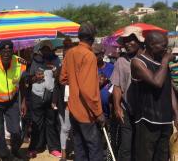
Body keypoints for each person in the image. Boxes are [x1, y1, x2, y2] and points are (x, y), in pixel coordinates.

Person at [129, 31, 178, 161]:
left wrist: (176, 112)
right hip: (147, 121)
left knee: (162, 157)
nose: (166, 49)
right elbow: (157, 82)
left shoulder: (161, 62)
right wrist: (166, 60)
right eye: (163, 46)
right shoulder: (138, 62)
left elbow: (169, 88)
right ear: (151, 45)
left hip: (165, 120)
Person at [60, 22, 105, 161]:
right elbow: (88, 91)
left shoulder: (70, 53)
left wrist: (76, 82)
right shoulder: (89, 56)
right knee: (94, 148)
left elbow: (62, 79)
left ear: (79, 36)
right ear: (92, 38)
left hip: (73, 109)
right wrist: (99, 113)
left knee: (79, 148)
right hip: (87, 112)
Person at [110, 26, 145, 161]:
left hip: (145, 111)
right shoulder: (121, 61)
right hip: (127, 109)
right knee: (125, 147)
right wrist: (118, 107)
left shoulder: (147, 58)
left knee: (141, 145)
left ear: (139, 41)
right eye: (125, 41)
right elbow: (117, 86)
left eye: (131, 40)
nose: (128, 44)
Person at [27, 39, 62, 158]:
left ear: (52, 51)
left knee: (51, 122)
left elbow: (60, 78)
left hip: (51, 96)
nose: (46, 52)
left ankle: (53, 147)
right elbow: (29, 79)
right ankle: (36, 147)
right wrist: (36, 77)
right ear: (41, 50)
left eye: (48, 50)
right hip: (37, 95)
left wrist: (55, 70)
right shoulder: (35, 61)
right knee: (37, 123)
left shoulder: (56, 60)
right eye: (44, 50)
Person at [53, 37, 76, 161]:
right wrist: (54, 101)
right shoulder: (59, 70)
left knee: (74, 128)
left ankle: (76, 150)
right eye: (64, 55)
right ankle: (63, 154)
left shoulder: (79, 69)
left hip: (77, 103)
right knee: (65, 128)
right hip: (64, 104)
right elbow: (56, 87)